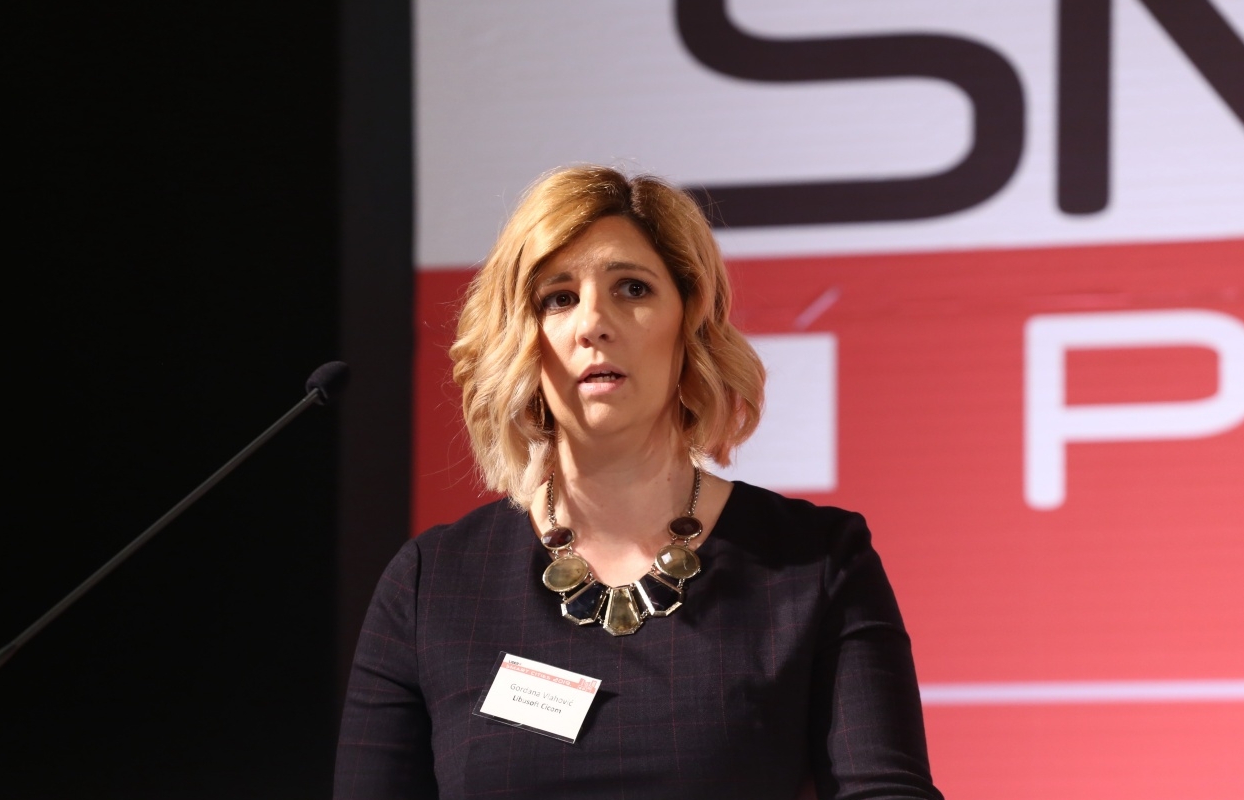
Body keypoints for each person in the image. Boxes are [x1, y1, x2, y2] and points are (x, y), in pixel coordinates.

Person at [334, 166, 943, 800]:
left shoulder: (815, 564)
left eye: (632, 288)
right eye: (558, 298)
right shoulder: (434, 584)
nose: (593, 324)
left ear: (692, 324)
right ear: (522, 339)